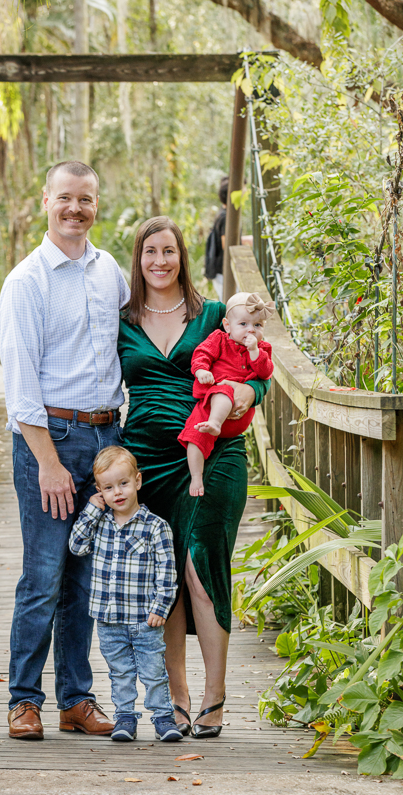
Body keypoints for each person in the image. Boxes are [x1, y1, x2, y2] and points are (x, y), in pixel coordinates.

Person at [117, 217, 270, 739]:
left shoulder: (214, 315)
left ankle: (215, 697)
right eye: (149, 252)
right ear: (137, 260)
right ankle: (176, 698)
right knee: (165, 582)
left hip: (214, 451)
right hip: (147, 462)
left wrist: (252, 396)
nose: (160, 261)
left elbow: (257, 369)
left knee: (201, 570)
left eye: (169, 251)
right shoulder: (121, 321)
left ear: (183, 256)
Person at [0, 161, 130, 741]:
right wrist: (48, 463)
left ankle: (75, 699)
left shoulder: (111, 275)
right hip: (49, 440)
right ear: (45, 200)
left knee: (84, 578)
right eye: (66, 199)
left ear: (96, 204)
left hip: (106, 439)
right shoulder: (27, 281)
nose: (76, 209)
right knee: (44, 574)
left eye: (87, 200)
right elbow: (20, 385)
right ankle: (23, 700)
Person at [69, 445, 182, 743]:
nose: (117, 492)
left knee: (153, 671)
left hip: (145, 618)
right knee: (119, 673)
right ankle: (125, 718)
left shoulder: (156, 527)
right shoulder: (100, 524)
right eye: (108, 487)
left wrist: (161, 607)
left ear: (138, 482)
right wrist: (92, 509)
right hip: (109, 619)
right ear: (99, 491)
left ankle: (163, 719)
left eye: (123, 483)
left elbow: (167, 572)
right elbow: (77, 547)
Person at [178, 292, 274, 497]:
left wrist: (255, 352)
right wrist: (202, 370)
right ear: (227, 325)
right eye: (243, 324)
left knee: (225, 390)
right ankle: (196, 477)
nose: (251, 330)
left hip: (237, 414)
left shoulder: (262, 348)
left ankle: (215, 423)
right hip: (210, 408)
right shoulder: (219, 339)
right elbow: (202, 354)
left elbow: (265, 373)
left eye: (258, 326)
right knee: (194, 436)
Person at [205, 177, 253, 302]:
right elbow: (226, 244)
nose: (245, 194)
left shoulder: (224, 213)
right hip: (223, 270)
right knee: (231, 304)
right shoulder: (226, 217)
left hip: (222, 270)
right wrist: (247, 241)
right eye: (243, 191)